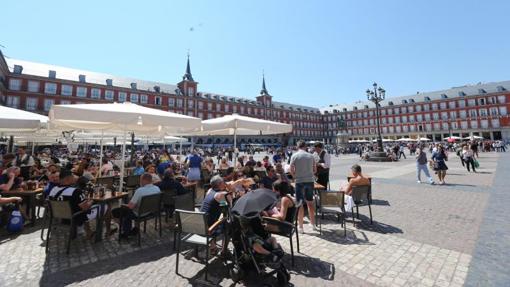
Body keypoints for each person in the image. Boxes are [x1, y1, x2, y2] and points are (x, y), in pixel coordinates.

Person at [48, 169, 113, 239]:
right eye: (73, 176)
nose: (74, 178)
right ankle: (108, 231)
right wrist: (92, 200)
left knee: (79, 207)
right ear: (68, 178)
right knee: (106, 206)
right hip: (76, 217)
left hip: (60, 217)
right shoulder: (75, 191)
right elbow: (85, 207)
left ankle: (89, 232)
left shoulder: (53, 190)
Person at [112, 173, 161, 237]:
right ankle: (135, 228)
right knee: (133, 208)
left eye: (140, 180)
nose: (139, 181)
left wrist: (123, 205)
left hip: (139, 213)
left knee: (115, 211)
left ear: (144, 180)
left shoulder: (140, 191)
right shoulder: (157, 188)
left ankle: (126, 231)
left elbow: (130, 207)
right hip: (151, 211)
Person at [289, 140, 317, 233]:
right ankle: (313, 224)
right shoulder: (311, 156)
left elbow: (291, 169)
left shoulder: (295, 155)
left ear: (297, 146)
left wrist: (295, 176)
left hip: (299, 181)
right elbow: (315, 169)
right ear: (305, 146)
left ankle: (300, 227)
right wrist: (310, 175)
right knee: (310, 202)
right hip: (309, 180)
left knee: (299, 203)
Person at [200, 175, 232, 253]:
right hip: (209, 227)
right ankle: (224, 251)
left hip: (201, 223)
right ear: (220, 184)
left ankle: (213, 246)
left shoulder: (210, 190)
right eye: (224, 182)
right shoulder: (221, 194)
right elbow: (231, 206)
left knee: (214, 218)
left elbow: (220, 203)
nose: (225, 183)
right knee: (229, 226)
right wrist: (230, 190)